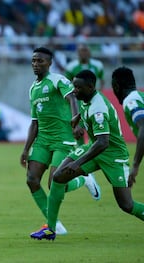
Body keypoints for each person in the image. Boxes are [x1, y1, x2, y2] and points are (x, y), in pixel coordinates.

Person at [30, 69, 144, 241]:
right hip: (94, 147)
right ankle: (50, 229)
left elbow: (103, 142)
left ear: (90, 87)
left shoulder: (99, 108)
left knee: (126, 205)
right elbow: (88, 120)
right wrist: (78, 119)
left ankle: (85, 178)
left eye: (78, 87)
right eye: (74, 86)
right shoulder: (86, 100)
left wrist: (77, 164)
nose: (74, 90)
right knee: (58, 176)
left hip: (113, 155)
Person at [20, 47, 101, 236]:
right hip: (42, 141)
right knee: (32, 180)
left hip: (62, 140)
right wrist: (26, 149)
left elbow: (72, 97)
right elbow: (34, 121)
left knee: (54, 183)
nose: (36, 64)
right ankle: (54, 223)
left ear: (49, 63)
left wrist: (75, 121)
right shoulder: (33, 88)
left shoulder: (58, 80)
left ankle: (83, 179)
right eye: (33, 61)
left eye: (40, 61)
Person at [111, 66, 144, 188]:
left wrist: (135, 165)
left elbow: (143, 128)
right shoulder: (140, 96)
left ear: (116, 87)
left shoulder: (131, 100)